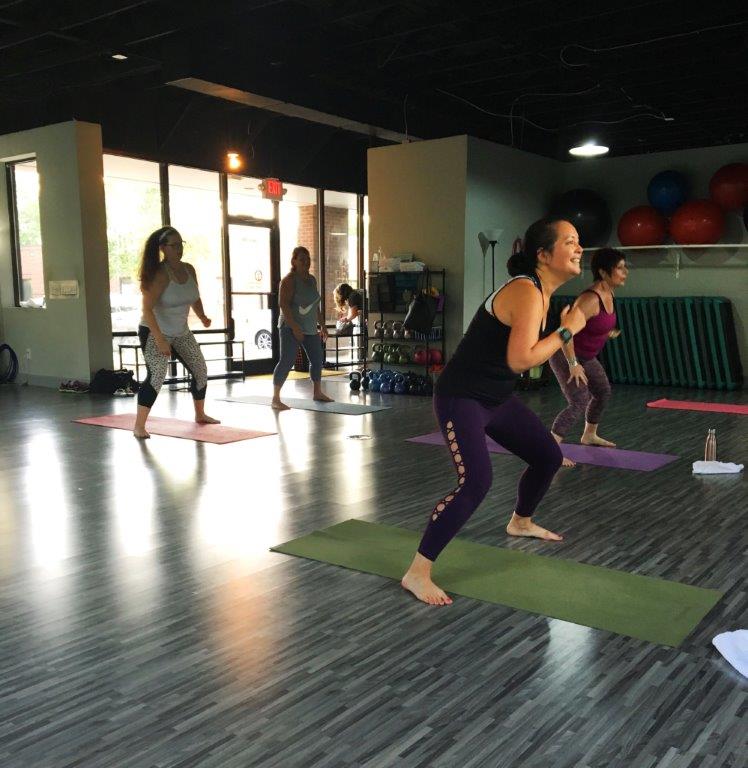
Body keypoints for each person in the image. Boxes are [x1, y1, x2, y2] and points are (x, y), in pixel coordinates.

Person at [401, 218, 587, 606]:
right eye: (569, 241)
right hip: (461, 397)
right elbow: (521, 360)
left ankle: (520, 521)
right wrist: (567, 331)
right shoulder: (526, 291)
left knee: (547, 456)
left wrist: (565, 333)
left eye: (579, 241)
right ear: (543, 254)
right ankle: (417, 573)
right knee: (476, 481)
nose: (579, 248)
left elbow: (527, 356)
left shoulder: (541, 293)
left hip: (496, 398)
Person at [133, 226, 219, 439]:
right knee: (157, 375)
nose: (179, 249)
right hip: (154, 330)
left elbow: (194, 296)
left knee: (200, 369)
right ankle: (139, 426)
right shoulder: (160, 274)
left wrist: (202, 316)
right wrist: (161, 340)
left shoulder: (189, 269)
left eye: (181, 244)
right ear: (163, 248)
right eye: (174, 245)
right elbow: (147, 309)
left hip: (181, 332)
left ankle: (200, 414)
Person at [549, 247, 627, 466]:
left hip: (586, 356)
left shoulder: (609, 294)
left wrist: (606, 332)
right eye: (620, 268)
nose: (625, 272)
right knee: (579, 400)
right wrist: (573, 364)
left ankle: (589, 435)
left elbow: (593, 323)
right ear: (603, 272)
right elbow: (565, 332)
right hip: (565, 354)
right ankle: (549, 451)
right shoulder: (589, 299)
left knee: (602, 391)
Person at [271, 246, 333, 410]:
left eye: (308, 259)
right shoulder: (288, 280)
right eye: (302, 259)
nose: (306, 262)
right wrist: (294, 327)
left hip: (310, 327)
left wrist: (323, 325)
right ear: (294, 261)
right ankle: (276, 398)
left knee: (317, 359)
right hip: (289, 327)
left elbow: (315, 305)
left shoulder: (312, 280)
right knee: (287, 360)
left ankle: (317, 392)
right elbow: (283, 305)